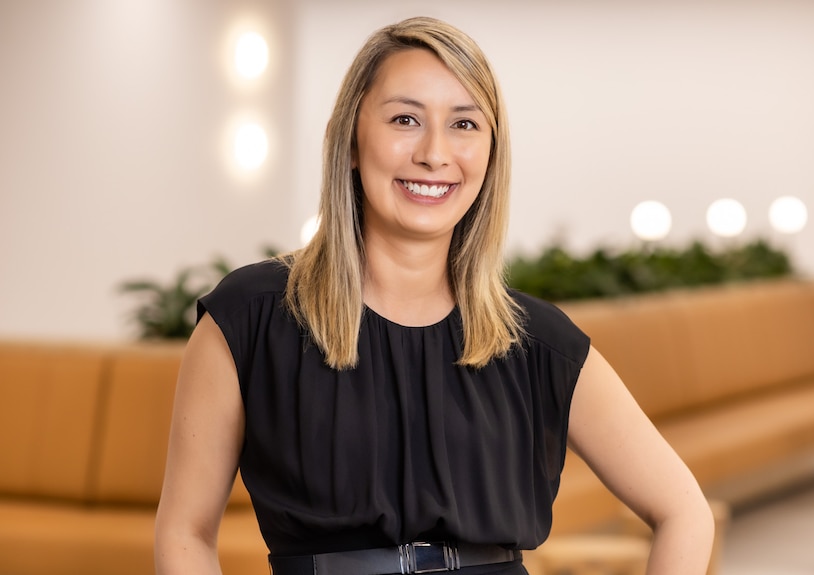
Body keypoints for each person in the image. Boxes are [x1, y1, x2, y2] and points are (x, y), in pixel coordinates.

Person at [154, 16, 714, 575]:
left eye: (465, 124)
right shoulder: (249, 318)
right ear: (350, 140)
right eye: (405, 119)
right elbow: (186, 533)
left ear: (491, 154)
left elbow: (684, 512)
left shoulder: (539, 343)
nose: (435, 153)